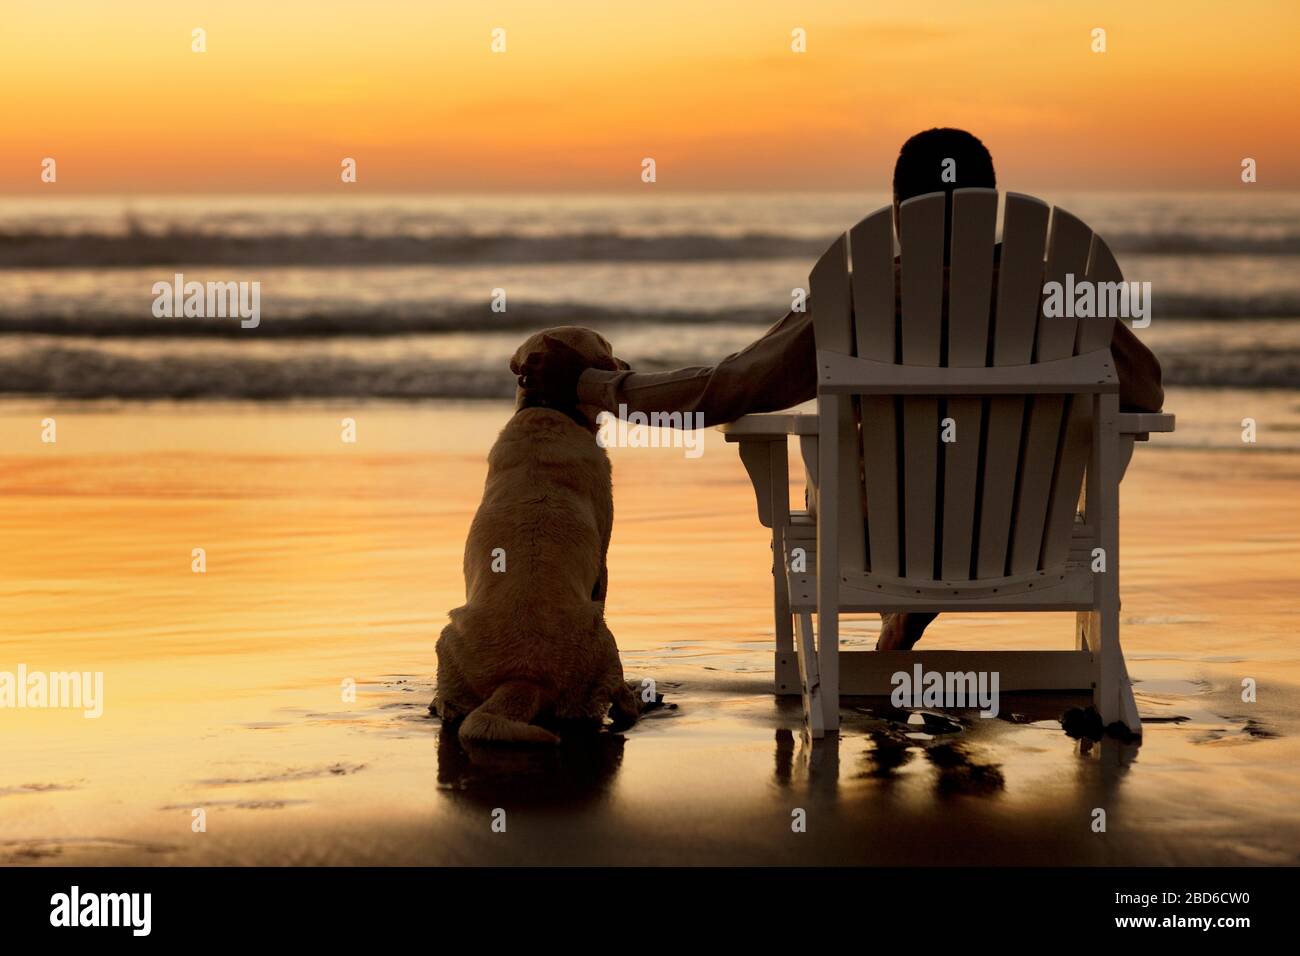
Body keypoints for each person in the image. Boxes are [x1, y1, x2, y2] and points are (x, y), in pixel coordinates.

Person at [517, 128, 1165, 651]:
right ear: (988, 203)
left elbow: (725, 390)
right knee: (987, 473)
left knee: (840, 474)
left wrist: (595, 385)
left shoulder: (857, 298)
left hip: (885, 537)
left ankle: (877, 635)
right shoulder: (1065, 295)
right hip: (1029, 535)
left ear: (897, 212)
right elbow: (1145, 393)